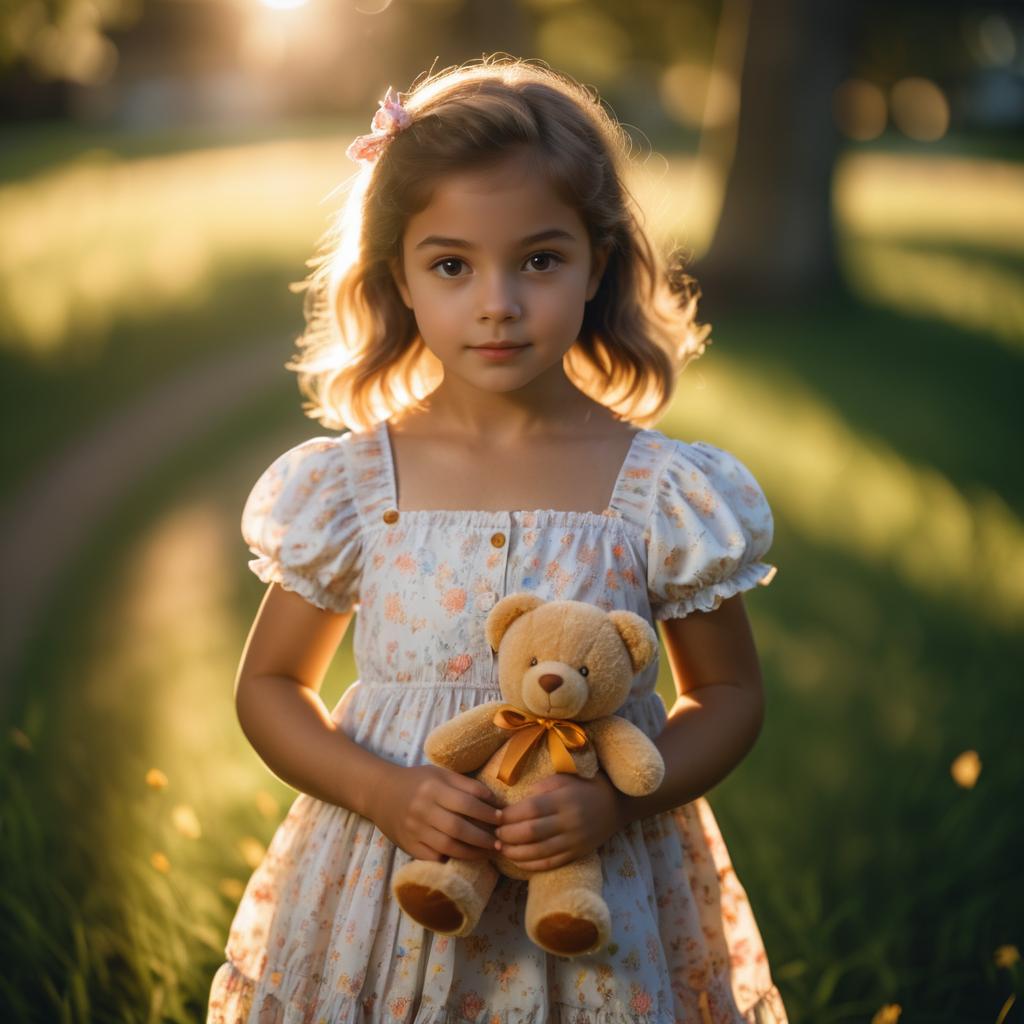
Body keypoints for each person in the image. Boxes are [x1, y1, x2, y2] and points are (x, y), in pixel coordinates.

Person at [207, 55, 789, 1024]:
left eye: (538, 259)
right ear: (398, 272)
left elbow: (726, 694)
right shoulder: (354, 486)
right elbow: (269, 686)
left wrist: (620, 800)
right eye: (451, 264)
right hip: (390, 892)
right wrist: (382, 790)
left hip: (597, 894)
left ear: (597, 262)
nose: (497, 303)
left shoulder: (661, 491)